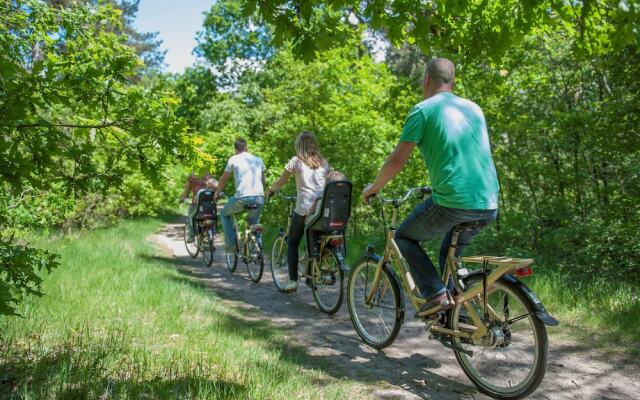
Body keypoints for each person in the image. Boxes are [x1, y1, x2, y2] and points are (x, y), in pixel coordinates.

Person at [362, 58, 500, 318]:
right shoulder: (474, 108)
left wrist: (373, 187)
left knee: (402, 238)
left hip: (453, 203)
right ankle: (455, 319)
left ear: (426, 79)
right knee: (448, 258)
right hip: (489, 201)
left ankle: (436, 295)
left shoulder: (423, 110)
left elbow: (396, 161)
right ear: (453, 81)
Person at [268, 131, 330, 293]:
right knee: (315, 239)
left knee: (293, 242)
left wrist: (271, 190)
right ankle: (313, 269)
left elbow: (281, 182)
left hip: (304, 209)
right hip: (322, 207)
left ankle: (293, 281)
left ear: (299, 145)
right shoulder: (324, 162)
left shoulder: (296, 161)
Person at [214, 138, 266, 252]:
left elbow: (224, 179)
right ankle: (258, 249)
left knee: (224, 214)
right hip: (260, 198)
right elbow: (263, 181)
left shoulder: (233, 159)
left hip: (242, 198)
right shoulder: (258, 159)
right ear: (246, 147)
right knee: (254, 223)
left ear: (235, 149)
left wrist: (217, 193)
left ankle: (232, 244)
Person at [180, 170, 215, 242]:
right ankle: (211, 234)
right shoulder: (209, 176)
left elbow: (186, 191)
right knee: (211, 217)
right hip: (209, 204)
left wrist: (182, 199)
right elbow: (215, 189)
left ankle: (191, 235)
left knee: (190, 216)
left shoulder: (192, 177)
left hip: (196, 204)